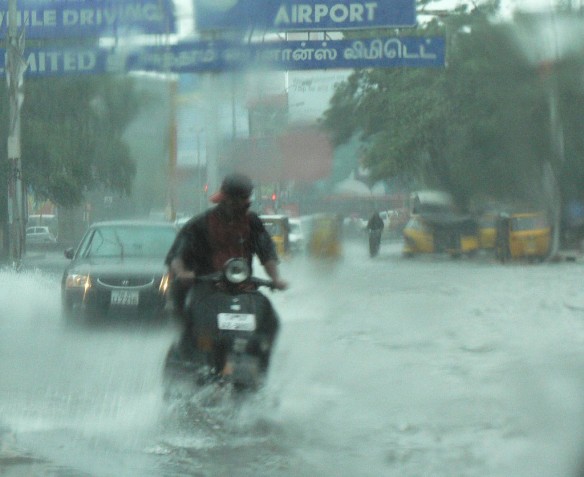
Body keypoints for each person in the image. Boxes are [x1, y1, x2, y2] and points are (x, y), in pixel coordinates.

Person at [165, 172, 288, 313]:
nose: (246, 203)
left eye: (247, 197)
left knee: (267, 318)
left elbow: (267, 254)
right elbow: (177, 255)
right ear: (226, 199)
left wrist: (276, 278)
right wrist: (182, 273)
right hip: (205, 289)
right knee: (188, 316)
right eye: (240, 198)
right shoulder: (200, 224)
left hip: (244, 290)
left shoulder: (253, 223)